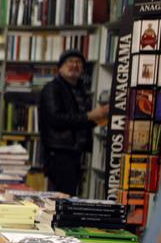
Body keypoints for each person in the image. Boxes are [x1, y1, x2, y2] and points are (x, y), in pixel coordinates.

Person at [38, 49, 109, 195]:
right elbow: (55, 119)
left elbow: (79, 121)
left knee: (69, 195)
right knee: (61, 197)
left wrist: (100, 118)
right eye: (70, 62)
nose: (74, 65)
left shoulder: (80, 90)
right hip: (58, 153)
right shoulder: (52, 89)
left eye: (78, 62)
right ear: (60, 67)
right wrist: (90, 116)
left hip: (75, 152)